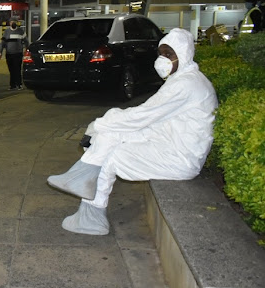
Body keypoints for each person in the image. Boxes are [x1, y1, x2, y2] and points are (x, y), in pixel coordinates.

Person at [47, 28, 218, 235]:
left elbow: (142, 116)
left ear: (183, 55)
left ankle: (91, 215)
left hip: (179, 158)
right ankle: (80, 179)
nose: (163, 60)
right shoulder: (183, 78)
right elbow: (152, 122)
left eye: (169, 54)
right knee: (111, 136)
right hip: (168, 144)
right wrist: (106, 130)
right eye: (161, 53)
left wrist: (100, 124)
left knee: (109, 157)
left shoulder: (186, 84)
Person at [0, 19, 28, 90]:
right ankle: (12, 85)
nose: (13, 23)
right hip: (9, 54)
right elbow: (3, 43)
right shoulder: (6, 32)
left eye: (14, 22)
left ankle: (19, 84)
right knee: (11, 70)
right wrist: (0, 52)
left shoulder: (21, 31)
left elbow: (26, 41)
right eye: (11, 22)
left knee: (17, 69)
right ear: (9, 23)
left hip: (18, 53)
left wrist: (27, 49)